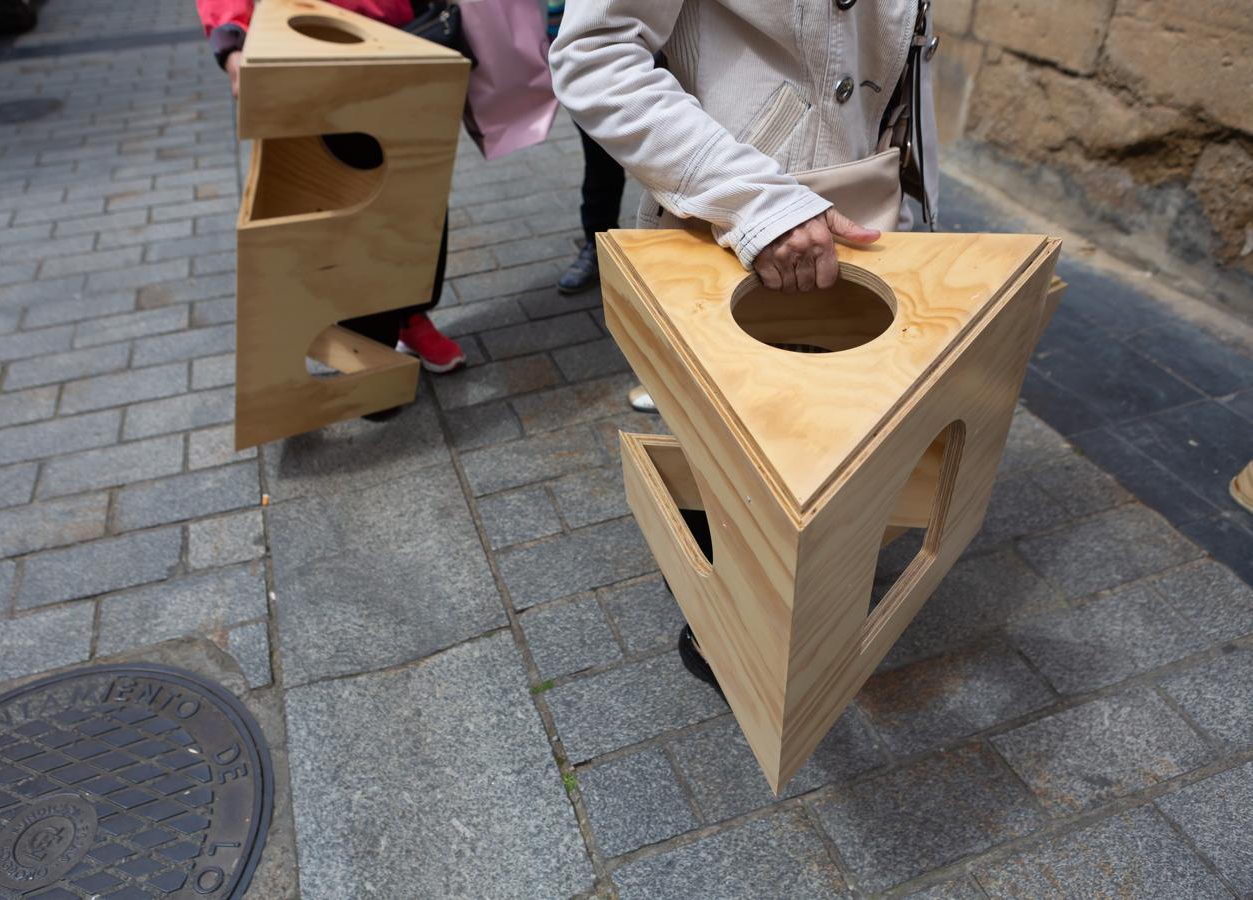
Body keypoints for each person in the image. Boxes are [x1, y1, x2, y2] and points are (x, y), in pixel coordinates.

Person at [550, 0, 938, 685]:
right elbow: (596, 55)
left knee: (836, 443)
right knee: (730, 456)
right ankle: (729, 634)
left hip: (867, 217)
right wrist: (756, 201)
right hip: (735, 226)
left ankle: (795, 620)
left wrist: (914, 196)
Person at [198, 0, 467, 375]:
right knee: (347, 197)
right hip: (318, 42)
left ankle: (411, 315)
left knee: (418, 183)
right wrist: (232, 40)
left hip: (409, 34)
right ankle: (367, 339)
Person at [546, 1, 628, 297]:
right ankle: (597, 244)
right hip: (585, 54)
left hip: (663, 49)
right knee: (600, 161)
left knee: (676, 161)